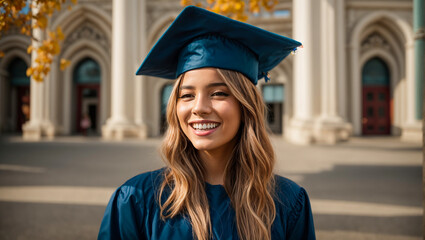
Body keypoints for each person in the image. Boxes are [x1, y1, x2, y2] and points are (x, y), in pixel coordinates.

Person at [98, 6, 315, 240]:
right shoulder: (136, 200)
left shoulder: (288, 203)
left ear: (246, 106)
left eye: (219, 93)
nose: (199, 107)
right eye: (187, 95)